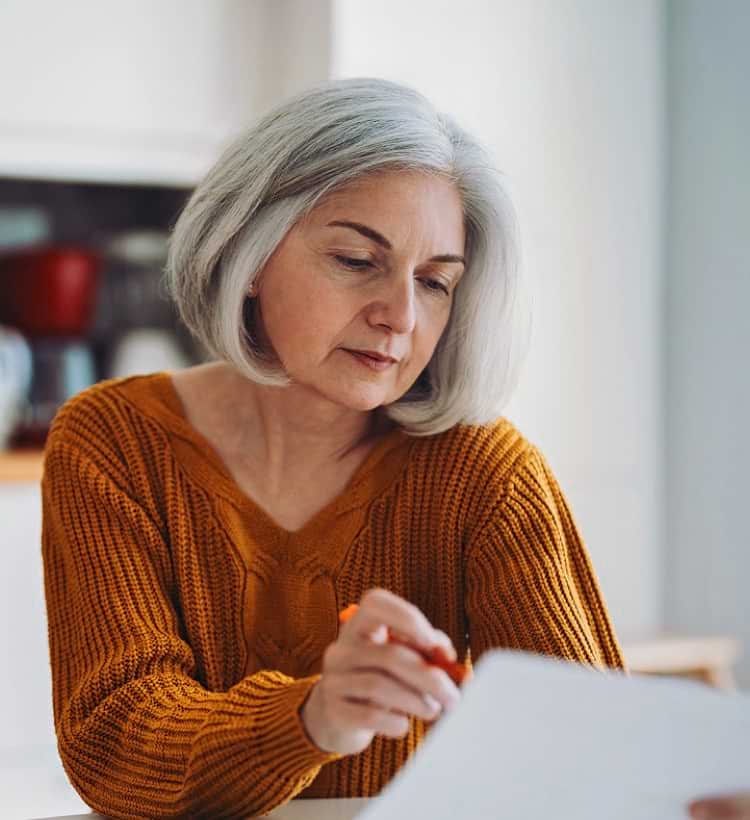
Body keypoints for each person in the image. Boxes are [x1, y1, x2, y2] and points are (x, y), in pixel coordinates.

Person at [41, 77, 624, 819]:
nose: (400, 316)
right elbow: (116, 746)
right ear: (246, 254)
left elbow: (598, 751)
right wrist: (312, 719)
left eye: (436, 282)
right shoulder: (115, 442)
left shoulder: (487, 474)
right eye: (356, 260)